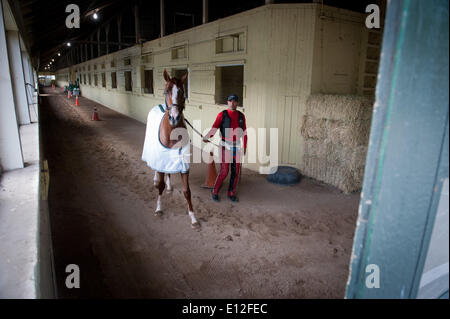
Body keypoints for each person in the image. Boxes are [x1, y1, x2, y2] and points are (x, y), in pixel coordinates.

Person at [203, 94, 247, 202]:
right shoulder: (222, 115)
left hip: (237, 147)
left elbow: (245, 133)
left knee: (235, 171)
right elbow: (215, 128)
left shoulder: (241, 116)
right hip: (225, 146)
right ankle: (215, 190)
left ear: (237, 103)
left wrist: (244, 147)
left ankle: (231, 192)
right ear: (227, 102)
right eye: (230, 101)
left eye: (234, 101)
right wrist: (207, 136)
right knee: (224, 171)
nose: (232, 103)